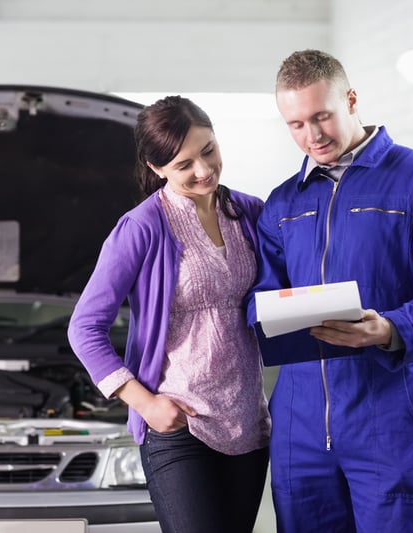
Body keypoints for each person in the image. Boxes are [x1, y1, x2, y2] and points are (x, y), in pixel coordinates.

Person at [247, 49, 413, 532]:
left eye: (321, 116)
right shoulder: (283, 202)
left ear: (351, 100)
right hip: (300, 418)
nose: (311, 136)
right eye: (295, 124)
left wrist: (392, 326)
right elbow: (261, 294)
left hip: (387, 412)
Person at [68, 95, 271, 533]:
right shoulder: (142, 227)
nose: (204, 170)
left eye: (209, 150)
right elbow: (85, 327)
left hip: (247, 424)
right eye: (184, 164)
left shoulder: (249, 213)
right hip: (177, 424)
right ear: (157, 167)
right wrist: (144, 403)